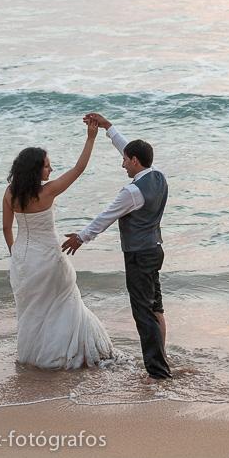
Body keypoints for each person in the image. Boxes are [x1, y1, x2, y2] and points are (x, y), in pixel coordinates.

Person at [61, 113, 171, 380]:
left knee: (143, 313)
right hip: (155, 249)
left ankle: (158, 372)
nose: (122, 164)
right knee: (155, 307)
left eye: (125, 160)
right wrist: (108, 127)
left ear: (135, 161)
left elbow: (106, 217)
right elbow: (127, 147)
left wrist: (81, 237)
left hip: (138, 255)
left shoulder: (131, 192)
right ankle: (162, 359)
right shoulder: (158, 176)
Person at [2, 118, 114, 370]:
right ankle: (67, 354)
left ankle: (35, 356)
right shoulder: (47, 192)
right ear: (35, 170)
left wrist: (15, 252)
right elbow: (78, 169)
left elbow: (7, 228)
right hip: (50, 259)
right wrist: (91, 138)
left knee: (33, 310)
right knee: (64, 305)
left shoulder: (10, 193)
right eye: (47, 166)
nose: (50, 170)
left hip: (24, 261)